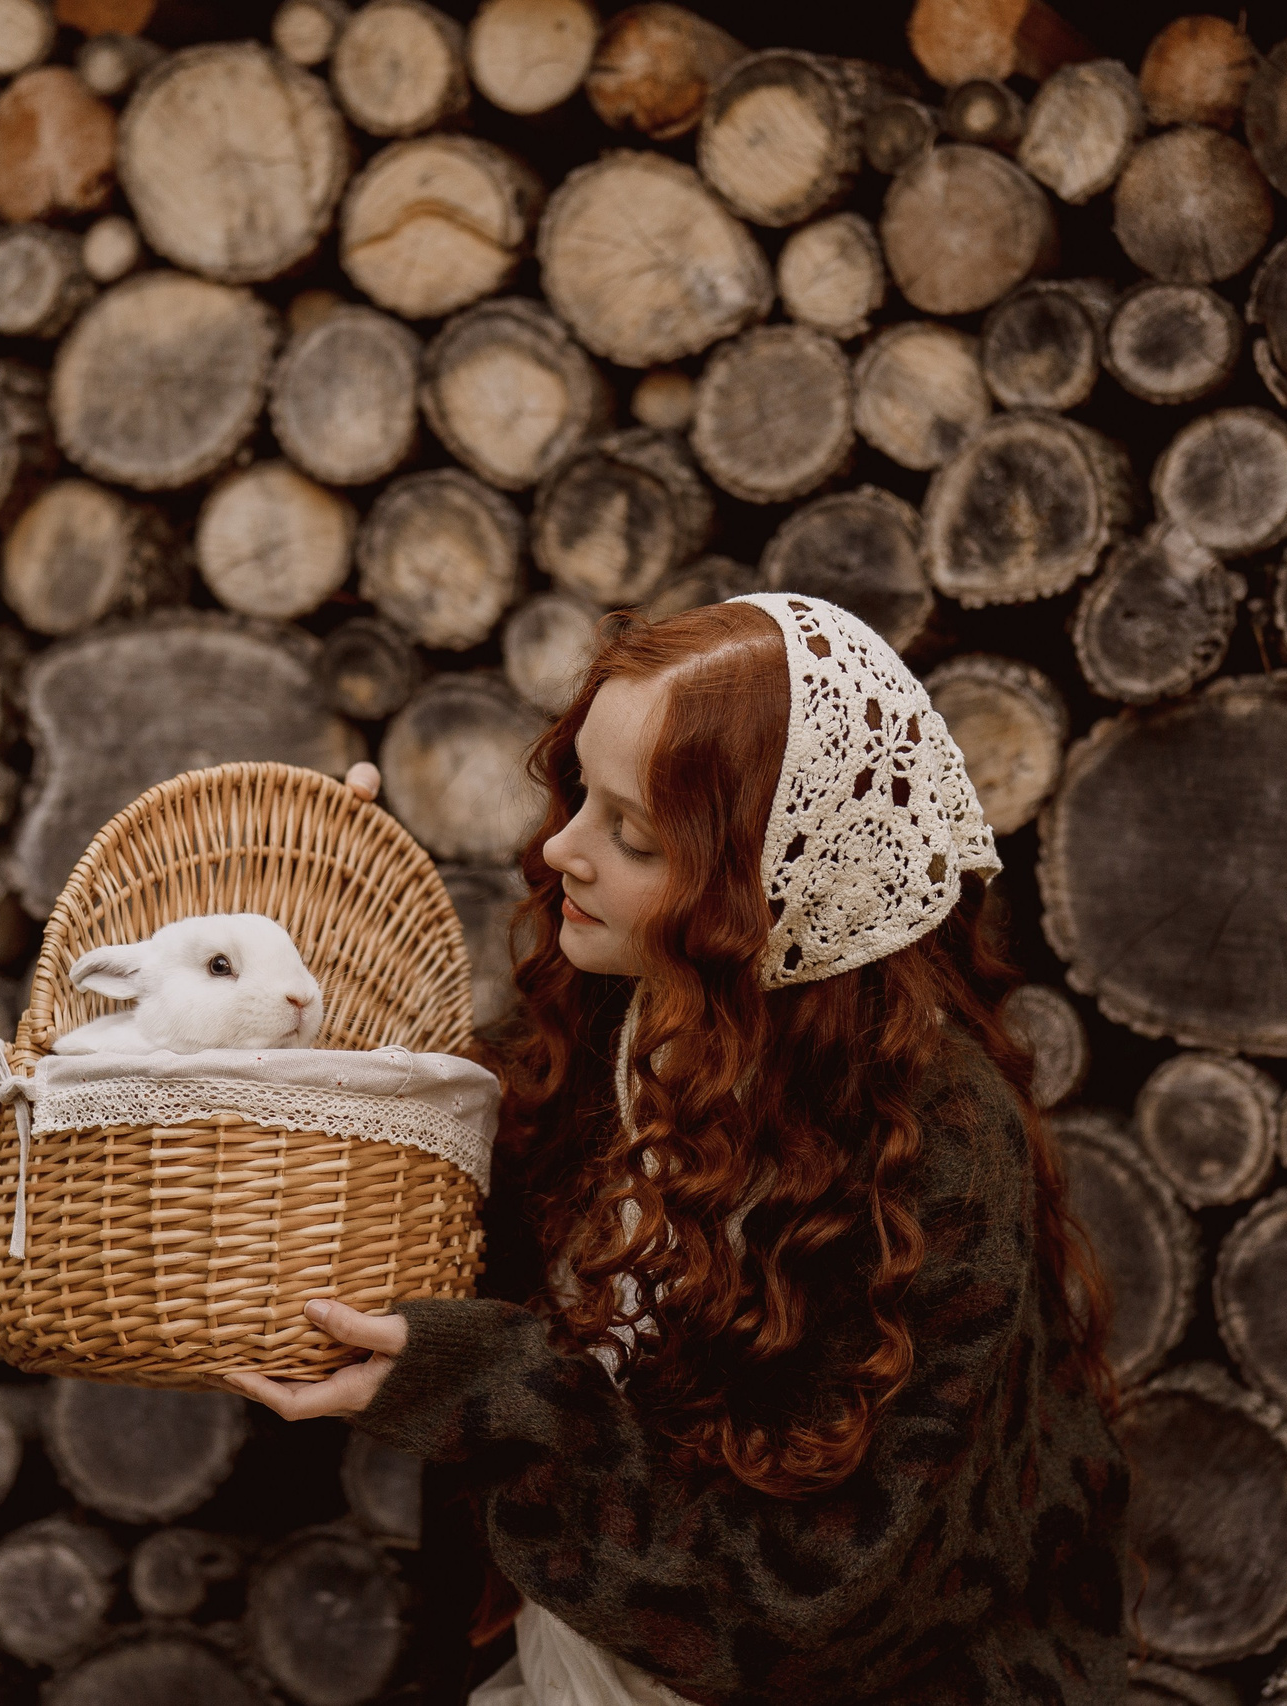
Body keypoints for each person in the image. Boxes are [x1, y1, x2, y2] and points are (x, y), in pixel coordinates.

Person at [226, 594, 1128, 1706]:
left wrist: (502, 1392)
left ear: (765, 887)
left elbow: (812, 1605)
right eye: (577, 798)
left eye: (632, 833)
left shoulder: (933, 1150)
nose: (560, 850)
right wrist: (311, 942)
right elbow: (394, 1193)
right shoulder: (608, 1023)